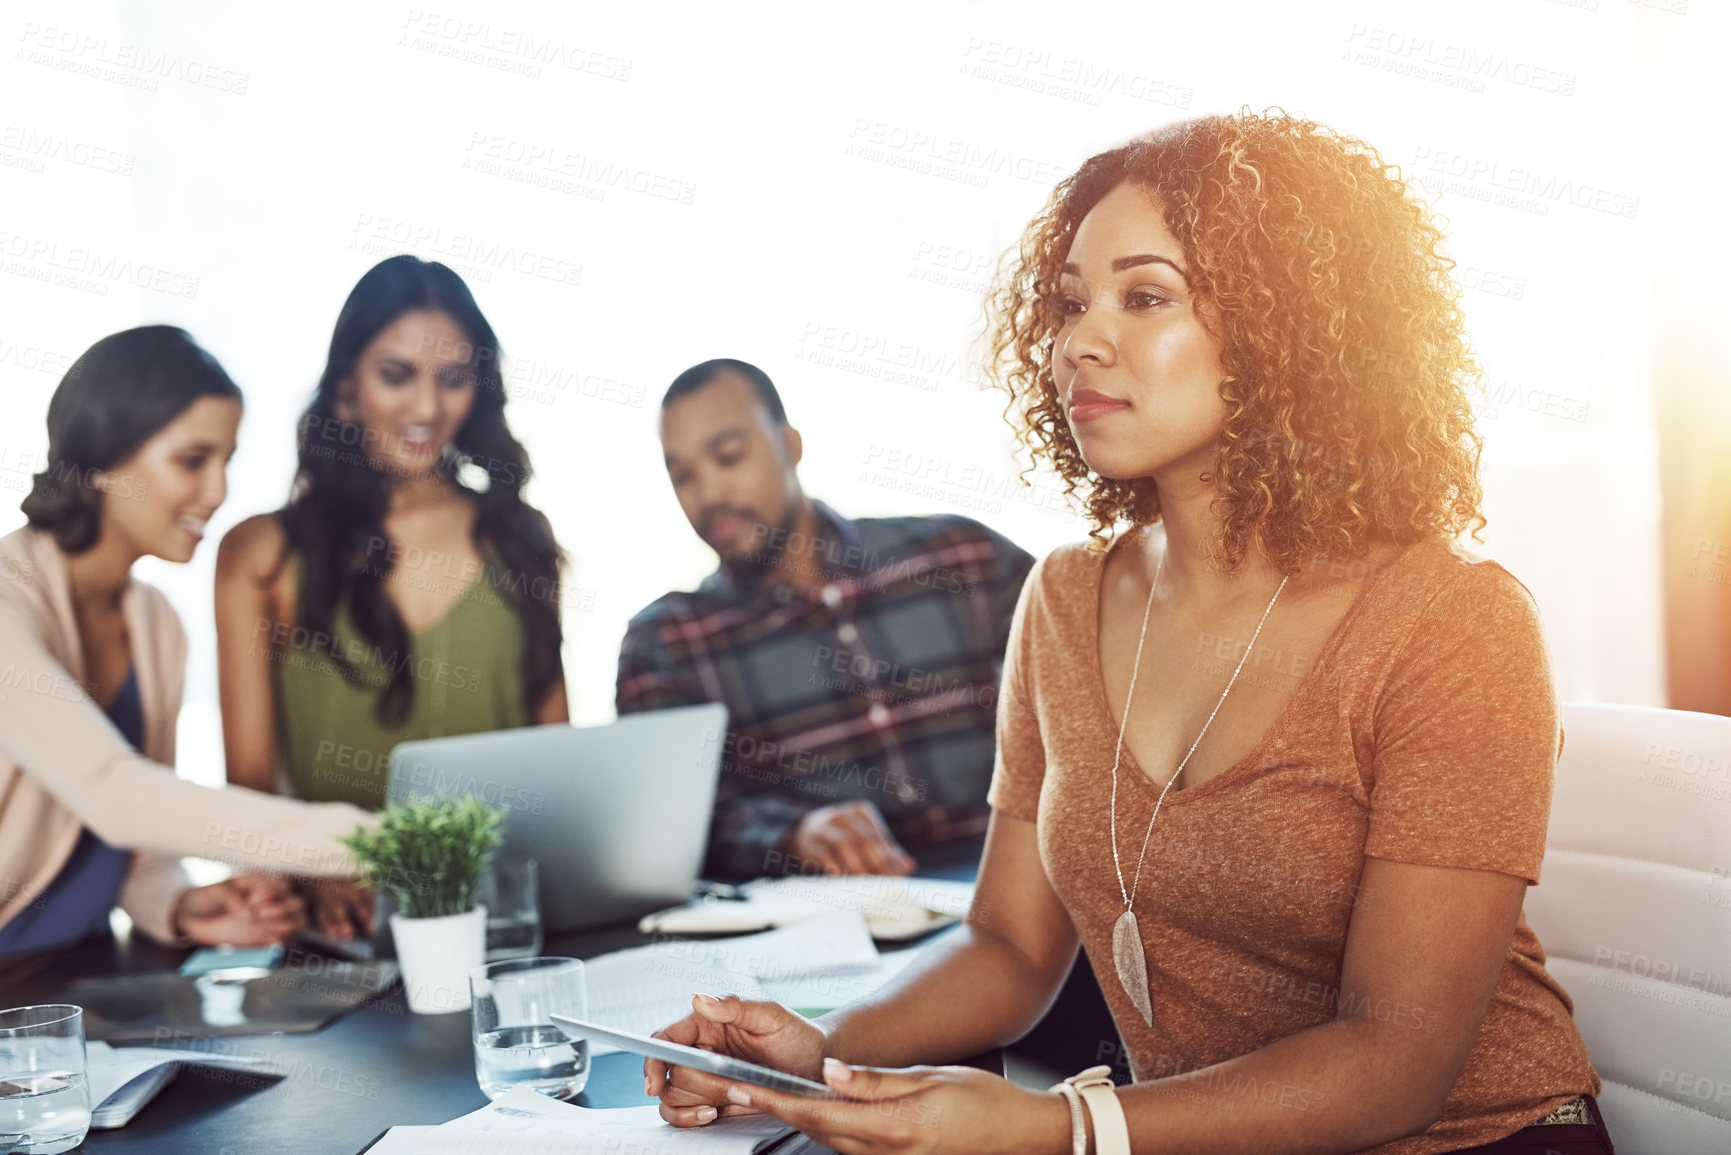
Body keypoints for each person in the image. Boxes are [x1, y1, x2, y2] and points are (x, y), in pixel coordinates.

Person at [644, 112, 1614, 1154]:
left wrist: (1059, 1129)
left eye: (1144, 297)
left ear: (1287, 328)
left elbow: (1396, 1061)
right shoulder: (1064, 600)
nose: (1076, 342)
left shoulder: (1453, 621)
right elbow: (1012, 946)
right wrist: (823, 1048)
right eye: (1070, 304)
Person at [0, 326, 376, 957]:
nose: (218, 492)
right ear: (103, 457)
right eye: (192, 460)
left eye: (226, 461)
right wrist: (369, 840)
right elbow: (115, 793)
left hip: (79, 973)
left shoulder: (157, 623)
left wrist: (181, 904)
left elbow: (140, 854)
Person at [617, 359, 1034, 881]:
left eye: (728, 457)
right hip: (838, 919)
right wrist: (790, 833)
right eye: (682, 476)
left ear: (790, 445)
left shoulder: (960, 557)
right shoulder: (666, 642)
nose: (708, 495)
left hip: (1019, 887)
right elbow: (666, 816)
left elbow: (1091, 702)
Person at [217, 256, 568, 813]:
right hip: (339, 894)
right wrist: (322, 873)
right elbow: (250, 790)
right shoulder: (263, 554)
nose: (427, 407)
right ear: (346, 389)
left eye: (453, 379)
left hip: (509, 895)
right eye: (396, 375)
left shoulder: (522, 538)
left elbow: (558, 769)